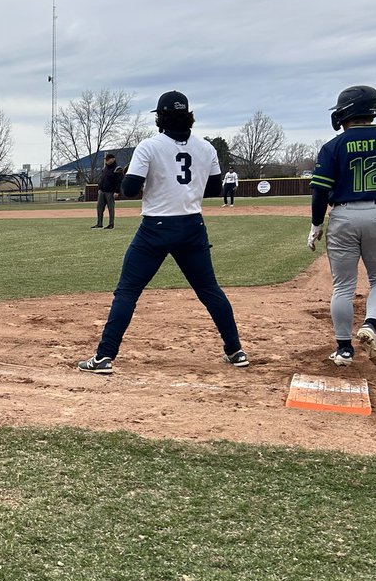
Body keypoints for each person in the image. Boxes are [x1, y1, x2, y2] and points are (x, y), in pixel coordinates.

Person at [78, 91, 249, 375]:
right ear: (188, 115)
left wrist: (134, 180)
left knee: (128, 291)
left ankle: (104, 357)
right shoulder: (206, 148)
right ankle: (235, 350)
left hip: (156, 227)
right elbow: (214, 189)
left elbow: (130, 190)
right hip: (192, 225)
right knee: (209, 290)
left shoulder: (150, 146)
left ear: (160, 118)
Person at [307, 85, 376, 367]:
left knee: (343, 286)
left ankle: (343, 350)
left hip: (342, 216)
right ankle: (371, 325)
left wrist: (316, 224)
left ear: (348, 111)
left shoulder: (333, 146)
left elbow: (319, 192)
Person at [91, 153, 124, 228]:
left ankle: (111, 224)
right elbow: (101, 179)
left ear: (113, 159)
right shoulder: (104, 168)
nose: (107, 161)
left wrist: (117, 191)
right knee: (99, 207)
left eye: (108, 159)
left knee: (110, 208)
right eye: (106, 159)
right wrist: (99, 188)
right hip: (102, 191)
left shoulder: (118, 168)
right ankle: (99, 223)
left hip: (111, 192)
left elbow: (119, 181)